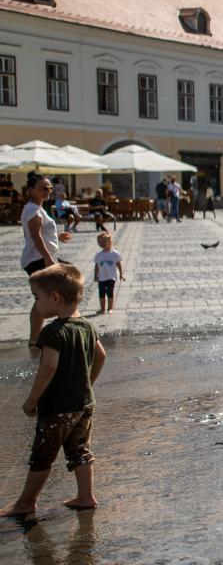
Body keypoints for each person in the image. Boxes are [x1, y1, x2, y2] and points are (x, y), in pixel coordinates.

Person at [1, 264, 107, 517]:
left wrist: (31, 400)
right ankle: (85, 496)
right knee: (79, 449)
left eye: (37, 298)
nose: (36, 304)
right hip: (84, 404)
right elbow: (101, 356)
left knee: (42, 454)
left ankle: (26, 502)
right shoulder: (87, 327)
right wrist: (87, 383)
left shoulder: (52, 331)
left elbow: (48, 368)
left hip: (58, 407)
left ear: (55, 298)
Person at [21, 174, 73, 353]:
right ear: (31, 190)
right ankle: (39, 339)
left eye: (50, 187)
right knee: (58, 292)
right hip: (38, 259)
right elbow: (36, 237)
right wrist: (48, 259)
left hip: (39, 257)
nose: (48, 190)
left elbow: (39, 233)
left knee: (48, 296)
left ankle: (35, 340)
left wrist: (57, 237)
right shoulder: (33, 209)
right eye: (44, 187)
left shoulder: (37, 208)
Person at [92, 232, 125, 315]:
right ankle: (102, 309)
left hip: (111, 277)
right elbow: (97, 266)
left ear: (110, 242)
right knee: (101, 294)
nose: (102, 244)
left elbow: (119, 264)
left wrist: (121, 274)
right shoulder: (98, 255)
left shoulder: (114, 254)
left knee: (110, 293)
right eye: (99, 242)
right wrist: (95, 275)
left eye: (104, 241)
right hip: (101, 278)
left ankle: (110, 308)